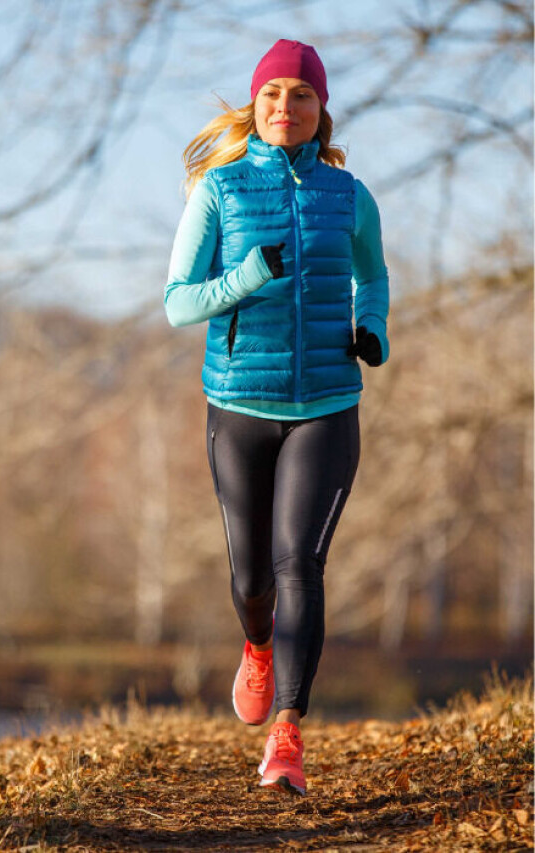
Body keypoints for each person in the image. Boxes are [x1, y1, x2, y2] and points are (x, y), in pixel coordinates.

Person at [164, 39, 389, 795]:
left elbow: (374, 273)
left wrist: (374, 326)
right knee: (251, 575)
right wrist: (248, 274)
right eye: (271, 95)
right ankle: (257, 646)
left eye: (300, 94)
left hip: (327, 405)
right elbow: (177, 302)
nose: (285, 107)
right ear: (253, 105)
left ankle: (288, 734)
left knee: (302, 564)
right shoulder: (219, 192)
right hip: (239, 407)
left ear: (320, 109)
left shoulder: (348, 194)